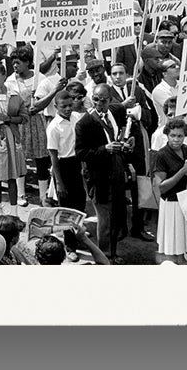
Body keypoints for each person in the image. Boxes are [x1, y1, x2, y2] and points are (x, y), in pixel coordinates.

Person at [75, 83, 133, 262]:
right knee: (104, 220)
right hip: (98, 176)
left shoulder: (115, 112)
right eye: (96, 100)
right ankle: (104, 257)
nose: (100, 104)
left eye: (104, 100)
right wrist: (104, 149)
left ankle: (113, 252)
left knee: (117, 214)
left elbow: (124, 133)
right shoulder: (84, 123)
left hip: (116, 171)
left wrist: (127, 144)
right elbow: (81, 153)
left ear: (111, 100)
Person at [152, 117, 187, 265]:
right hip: (172, 205)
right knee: (176, 249)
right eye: (173, 135)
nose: (176, 139)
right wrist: (183, 171)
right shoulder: (161, 155)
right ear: (167, 135)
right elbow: (161, 187)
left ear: (185, 136)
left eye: (180, 136)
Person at [3, 46, 51, 207]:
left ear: (28, 63)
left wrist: (37, 105)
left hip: (37, 123)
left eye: (18, 63)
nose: (15, 66)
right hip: (19, 123)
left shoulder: (40, 79)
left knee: (41, 159)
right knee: (19, 158)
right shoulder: (10, 81)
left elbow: (46, 101)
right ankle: (21, 194)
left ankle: (44, 196)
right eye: (13, 63)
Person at [46, 82, 86, 212]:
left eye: (70, 105)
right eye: (64, 106)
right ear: (56, 107)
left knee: (80, 199)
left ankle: (79, 230)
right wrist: (59, 182)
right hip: (63, 165)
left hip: (76, 162)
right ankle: (68, 232)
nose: (68, 109)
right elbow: (53, 156)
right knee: (66, 204)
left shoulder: (75, 118)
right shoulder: (54, 127)